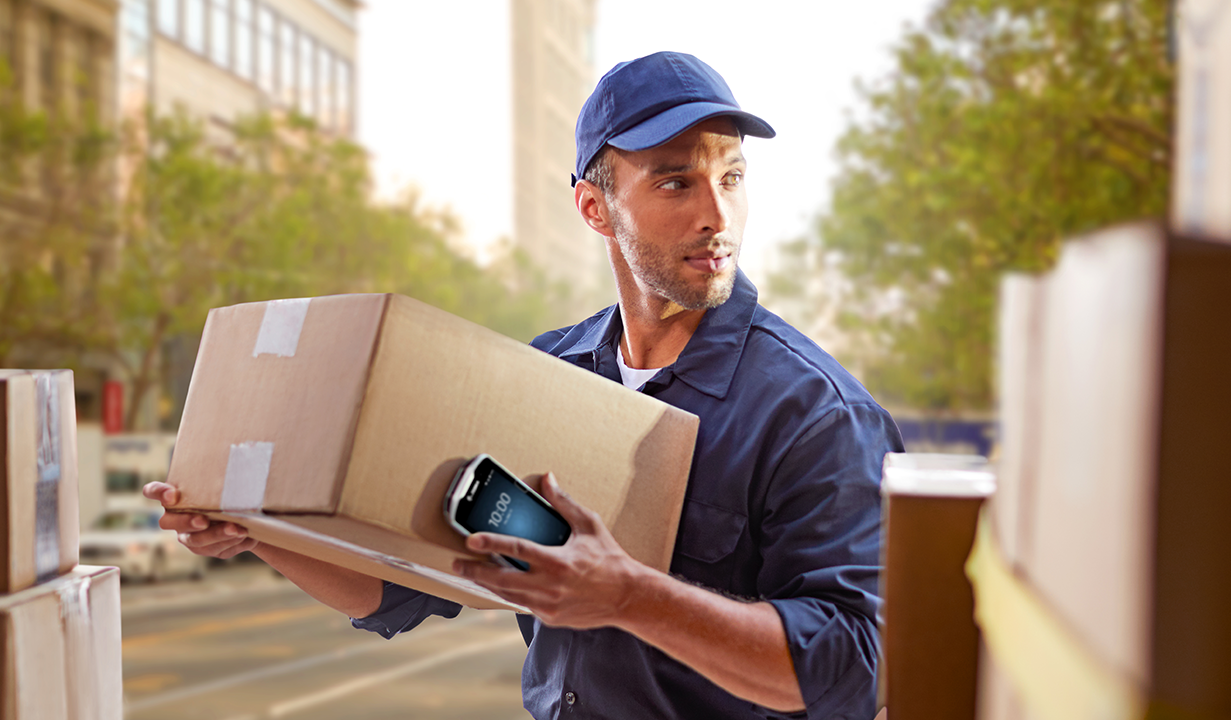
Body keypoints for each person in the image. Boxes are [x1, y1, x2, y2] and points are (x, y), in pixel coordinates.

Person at [146, 51, 903, 720]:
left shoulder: (815, 414)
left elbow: (856, 671)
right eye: (676, 182)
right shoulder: (547, 376)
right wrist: (259, 534)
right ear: (594, 207)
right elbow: (408, 588)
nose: (717, 214)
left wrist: (631, 596)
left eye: (731, 177)